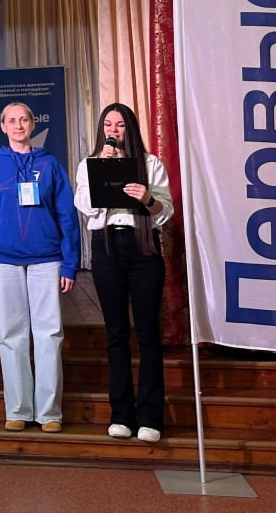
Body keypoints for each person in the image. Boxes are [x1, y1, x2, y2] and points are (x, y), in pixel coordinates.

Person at [74, 102, 174, 444]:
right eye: (107, 125)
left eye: (118, 125)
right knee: (115, 332)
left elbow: (166, 211)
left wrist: (147, 198)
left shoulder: (150, 164)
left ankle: (150, 416)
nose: (112, 131)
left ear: (129, 128)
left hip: (143, 248)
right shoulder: (90, 164)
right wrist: (101, 169)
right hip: (107, 247)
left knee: (147, 333)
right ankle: (121, 414)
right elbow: (84, 206)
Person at [0, 101, 79, 433]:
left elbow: (67, 215)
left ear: (33, 125)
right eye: (12, 120)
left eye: (24, 120)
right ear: (2, 126)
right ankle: (18, 408)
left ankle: (49, 413)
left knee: (49, 334)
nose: (18, 125)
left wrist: (70, 264)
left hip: (47, 259)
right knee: (11, 335)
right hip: (3, 260)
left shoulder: (50, 164)